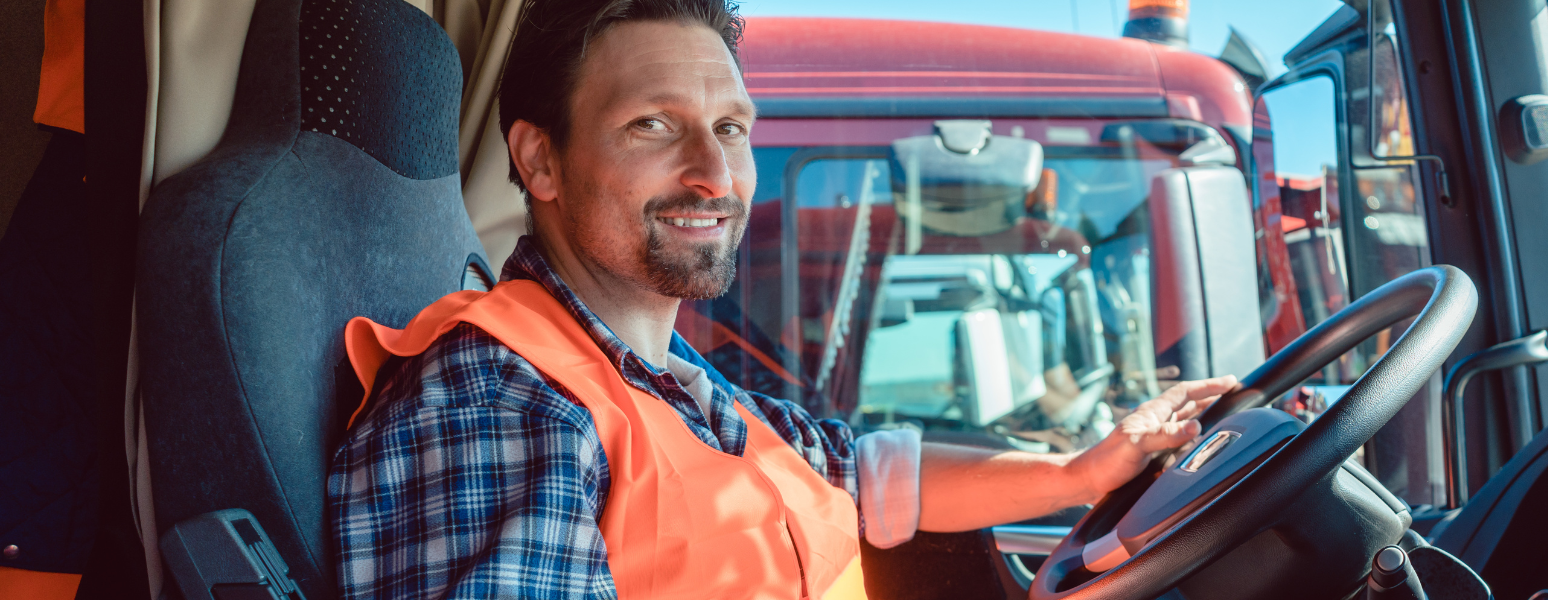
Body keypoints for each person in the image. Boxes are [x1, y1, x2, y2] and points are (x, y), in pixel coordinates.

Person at [327, 0, 1238, 597]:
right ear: (540, 161)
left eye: (731, 128)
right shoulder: (502, 403)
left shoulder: (671, 384)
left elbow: (859, 472)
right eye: (654, 125)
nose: (714, 174)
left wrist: (1077, 472)